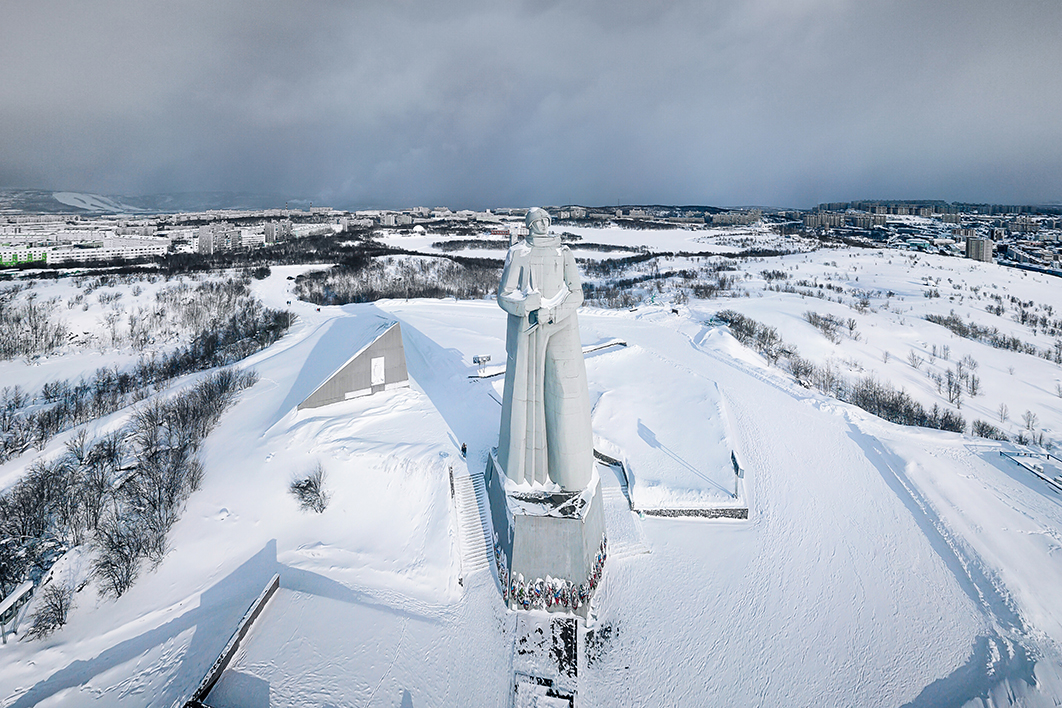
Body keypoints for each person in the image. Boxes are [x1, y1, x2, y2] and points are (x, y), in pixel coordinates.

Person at [496, 208, 593, 490]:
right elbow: (504, 295)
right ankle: (528, 471)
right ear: (528, 225)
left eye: (546, 220)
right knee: (528, 396)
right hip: (530, 328)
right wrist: (522, 305)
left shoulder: (563, 253)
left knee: (564, 393)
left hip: (560, 325)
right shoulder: (519, 253)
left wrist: (554, 312)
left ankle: (569, 472)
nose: (543, 224)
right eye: (537, 221)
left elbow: (577, 293)